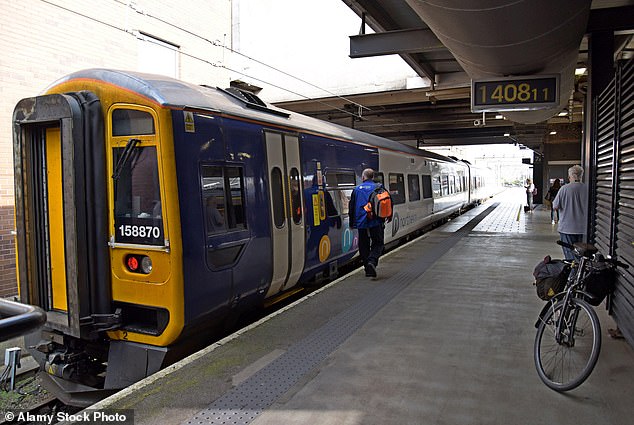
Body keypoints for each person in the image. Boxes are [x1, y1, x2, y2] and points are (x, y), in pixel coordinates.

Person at [349, 168, 388, 278]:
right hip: (376, 221)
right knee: (378, 243)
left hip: (361, 222)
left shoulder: (356, 190)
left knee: (363, 245)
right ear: (373, 177)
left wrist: (352, 223)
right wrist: (387, 216)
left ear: (363, 177)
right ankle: (372, 262)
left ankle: (368, 268)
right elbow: (387, 202)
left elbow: (351, 207)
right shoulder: (379, 187)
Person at [552, 165, 588, 260]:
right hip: (583, 229)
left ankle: (573, 274)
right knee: (582, 255)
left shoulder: (564, 189)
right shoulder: (587, 189)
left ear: (570, 176)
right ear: (581, 176)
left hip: (567, 228)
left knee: (570, 257)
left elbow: (555, 206)